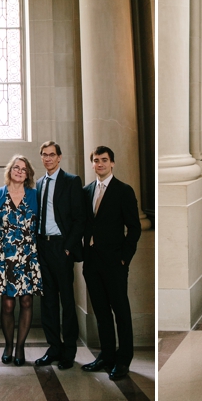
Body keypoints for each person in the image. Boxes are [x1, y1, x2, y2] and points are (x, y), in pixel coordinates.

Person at [81, 146, 142, 381]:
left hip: (115, 262)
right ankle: (106, 355)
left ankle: (123, 359)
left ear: (112, 163)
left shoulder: (123, 191)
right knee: (101, 312)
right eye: (96, 160)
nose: (100, 164)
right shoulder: (86, 191)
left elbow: (134, 228)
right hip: (92, 263)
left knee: (121, 311)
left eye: (104, 160)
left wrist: (124, 257)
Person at [0, 155, 42, 366]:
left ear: (28, 175)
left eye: (24, 169)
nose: (19, 171)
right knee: (7, 304)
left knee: (27, 301)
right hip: (4, 254)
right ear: (10, 170)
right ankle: (8, 345)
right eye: (16, 167)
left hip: (28, 254)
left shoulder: (35, 195)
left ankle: (20, 347)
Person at [34, 141, 85, 370]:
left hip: (61, 247)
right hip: (42, 247)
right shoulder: (39, 183)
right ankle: (53, 346)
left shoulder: (71, 181)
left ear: (60, 157)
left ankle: (69, 350)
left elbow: (79, 218)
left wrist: (68, 247)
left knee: (66, 299)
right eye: (44, 155)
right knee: (48, 301)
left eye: (52, 155)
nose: (48, 158)